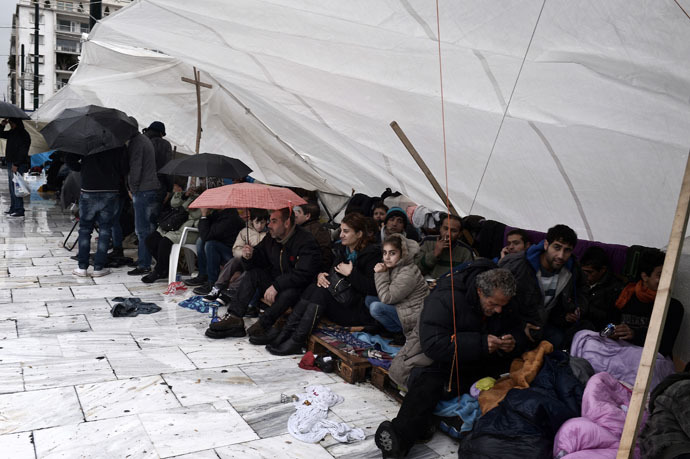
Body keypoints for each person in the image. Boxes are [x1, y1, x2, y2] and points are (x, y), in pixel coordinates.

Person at [376, 262, 523, 457]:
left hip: (476, 361)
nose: (498, 310)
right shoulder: (446, 298)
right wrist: (479, 344)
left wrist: (511, 343)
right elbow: (433, 345)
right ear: (480, 291)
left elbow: (515, 329)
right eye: (493, 304)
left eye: (502, 306)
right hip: (437, 359)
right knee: (430, 384)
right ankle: (398, 439)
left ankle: (425, 423)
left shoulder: (503, 302)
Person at [264, 212, 381, 355]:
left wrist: (351, 274)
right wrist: (321, 276)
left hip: (356, 310)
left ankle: (297, 340)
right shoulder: (342, 251)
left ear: (359, 234)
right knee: (316, 286)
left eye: (346, 231)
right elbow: (330, 273)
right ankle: (286, 334)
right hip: (341, 300)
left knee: (321, 292)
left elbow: (373, 288)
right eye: (341, 231)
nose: (341, 235)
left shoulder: (372, 255)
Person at [206, 207, 321, 343]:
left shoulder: (305, 241)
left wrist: (276, 286)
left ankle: (264, 324)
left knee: (289, 292)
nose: (269, 225)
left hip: (299, 288)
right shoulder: (271, 238)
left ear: (286, 223)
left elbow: (304, 274)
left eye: (273, 221)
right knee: (253, 274)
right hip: (277, 281)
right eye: (270, 221)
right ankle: (235, 317)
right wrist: (249, 256)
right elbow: (259, 260)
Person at [499, 224, 588, 350]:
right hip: (515, 324)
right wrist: (521, 324)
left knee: (560, 342)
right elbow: (497, 300)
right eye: (557, 247)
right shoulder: (517, 265)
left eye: (567, 250)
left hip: (546, 324)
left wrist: (577, 308)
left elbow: (582, 288)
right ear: (546, 245)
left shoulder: (572, 268)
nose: (561, 256)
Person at [65, 147, 129, 277]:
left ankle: (82, 267)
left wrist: (83, 167)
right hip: (110, 190)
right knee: (105, 230)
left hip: (89, 189)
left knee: (85, 229)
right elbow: (125, 168)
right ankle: (99, 267)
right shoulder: (116, 143)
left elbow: (69, 160)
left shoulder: (87, 140)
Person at [612, 249, 683, 357]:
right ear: (645, 276)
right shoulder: (623, 297)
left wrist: (634, 334)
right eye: (660, 275)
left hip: (648, 359)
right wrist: (610, 332)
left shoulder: (673, 307)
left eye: (670, 275)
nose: (667, 280)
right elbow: (607, 324)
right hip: (617, 350)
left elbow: (665, 346)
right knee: (584, 337)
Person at [368, 234, 429, 343]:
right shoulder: (396, 267)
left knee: (375, 307)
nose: (386, 257)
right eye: (385, 253)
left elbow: (387, 298)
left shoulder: (408, 273)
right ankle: (387, 327)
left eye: (392, 253)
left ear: (403, 254)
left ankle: (399, 333)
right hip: (402, 306)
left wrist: (381, 274)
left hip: (414, 316)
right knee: (369, 299)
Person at [203, 209, 269, 303]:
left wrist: (254, 253)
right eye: (257, 222)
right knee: (234, 261)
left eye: (262, 223)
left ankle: (231, 291)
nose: (259, 225)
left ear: (266, 222)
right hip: (243, 259)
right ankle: (218, 287)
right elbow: (235, 249)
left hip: (257, 263)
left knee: (251, 271)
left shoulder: (268, 234)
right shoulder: (244, 232)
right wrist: (244, 252)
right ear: (251, 221)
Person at [140, 182, 202, 283]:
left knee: (165, 242)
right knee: (150, 240)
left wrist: (192, 207)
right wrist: (184, 195)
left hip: (187, 230)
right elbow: (174, 204)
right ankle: (165, 266)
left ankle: (159, 271)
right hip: (174, 224)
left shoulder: (207, 202)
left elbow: (197, 217)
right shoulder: (191, 196)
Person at [126, 121, 161, 276]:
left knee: (142, 230)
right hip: (151, 188)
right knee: (150, 229)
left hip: (143, 190)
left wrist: (132, 188)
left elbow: (136, 167)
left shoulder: (137, 143)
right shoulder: (143, 140)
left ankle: (144, 264)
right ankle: (148, 260)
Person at [185, 206, 245, 294]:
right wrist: (207, 216)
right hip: (223, 248)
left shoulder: (230, 218)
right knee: (200, 241)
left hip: (233, 256)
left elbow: (207, 235)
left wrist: (204, 215)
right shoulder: (218, 214)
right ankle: (203, 275)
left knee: (211, 245)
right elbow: (204, 232)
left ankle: (212, 283)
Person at [416, 214, 474, 279]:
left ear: (460, 234)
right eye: (445, 229)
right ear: (440, 228)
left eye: (453, 231)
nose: (448, 234)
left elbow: (468, 276)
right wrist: (435, 254)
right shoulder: (428, 242)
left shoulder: (465, 251)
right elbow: (416, 269)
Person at [579, 246, 624, 329]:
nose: (585, 276)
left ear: (603, 270)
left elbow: (611, 319)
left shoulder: (615, 289)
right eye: (583, 272)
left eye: (590, 272)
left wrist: (584, 309)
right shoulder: (578, 279)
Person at [0, 118, 31, 218]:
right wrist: (2, 125)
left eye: (12, 123)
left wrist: (16, 164)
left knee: (17, 187)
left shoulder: (23, 134)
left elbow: (23, 151)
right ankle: (13, 207)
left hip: (18, 164)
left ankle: (19, 209)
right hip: (11, 162)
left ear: (16, 123)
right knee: (12, 187)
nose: (11, 125)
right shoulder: (12, 132)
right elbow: (1, 134)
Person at [294, 201, 334, 271]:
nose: (295, 215)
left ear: (307, 216)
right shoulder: (319, 228)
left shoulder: (306, 233)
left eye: (299, 212)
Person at [143, 121, 173, 205]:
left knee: (138, 216)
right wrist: (169, 189)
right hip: (158, 186)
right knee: (152, 216)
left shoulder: (139, 141)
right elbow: (168, 168)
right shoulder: (165, 144)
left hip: (138, 187)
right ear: (161, 133)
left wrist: (129, 188)